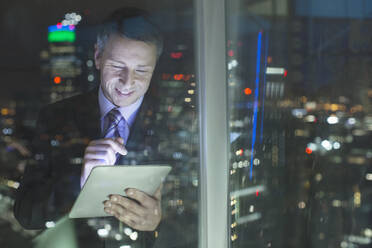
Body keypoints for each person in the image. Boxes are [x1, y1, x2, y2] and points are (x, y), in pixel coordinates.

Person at [14, 7, 165, 247]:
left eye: (142, 70)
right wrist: (81, 182)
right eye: (118, 66)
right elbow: (27, 214)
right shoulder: (55, 117)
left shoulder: (174, 123)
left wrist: (157, 222)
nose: (128, 82)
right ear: (97, 56)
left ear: (155, 67)